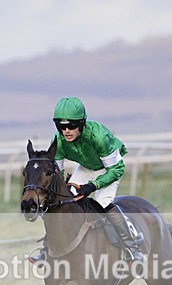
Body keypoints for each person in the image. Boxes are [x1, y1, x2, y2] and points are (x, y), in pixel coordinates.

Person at [29, 97, 144, 265]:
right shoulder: (59, 140)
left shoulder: (98, 136)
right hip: (85, 168)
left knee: (101, 203)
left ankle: (133, 246)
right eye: (61, 126)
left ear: (82, 124)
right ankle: (47, 248)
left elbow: (117, 169)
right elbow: (57, 173)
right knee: (63, 202)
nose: (66, 131)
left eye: (71, 126)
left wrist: (93, 186)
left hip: (109, 169)